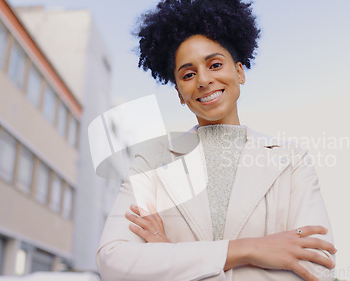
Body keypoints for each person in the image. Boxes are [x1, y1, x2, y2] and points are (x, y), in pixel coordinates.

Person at [96, 0, 337, 280]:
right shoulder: (150, 164)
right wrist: (248, 249)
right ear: (178, 92)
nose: (203, 79)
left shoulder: (292, 161)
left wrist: (168, 254)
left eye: (215, 64)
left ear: (239, 71)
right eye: (188, 74)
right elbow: (114, 262)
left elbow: (318, 266)